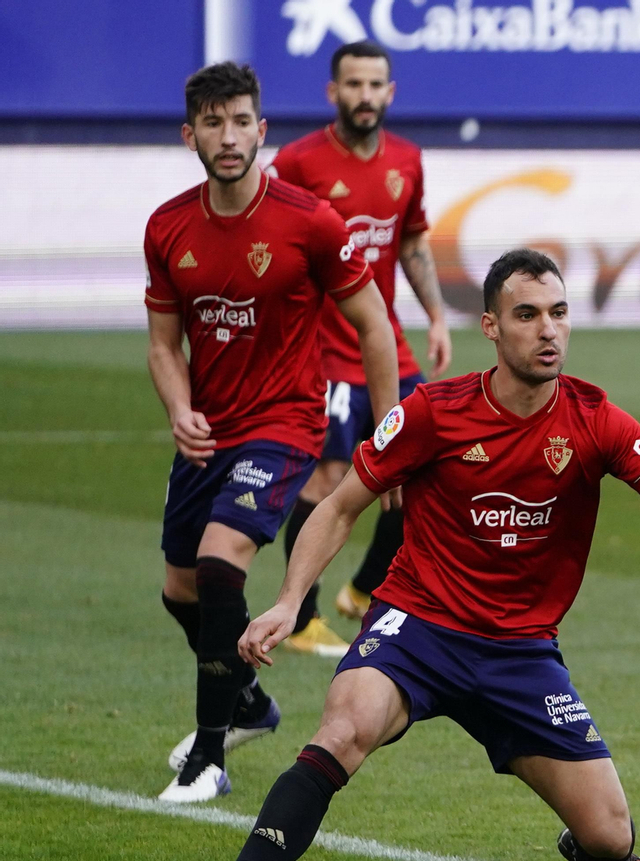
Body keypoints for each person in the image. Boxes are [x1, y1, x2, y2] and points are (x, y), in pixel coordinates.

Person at [169, 249, 640, 861]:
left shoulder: (597, 419)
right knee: (343, 729)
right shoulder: (434, 412)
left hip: (520, 652)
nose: (548, 330)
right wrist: (287, 602)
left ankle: (592, 853)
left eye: (559, 313)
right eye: (527, 315)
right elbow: (338, 506)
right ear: (491, 326)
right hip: (417, 627)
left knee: (610, 833)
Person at [146, 61, 399, 803]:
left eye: (240, 122)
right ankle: (249, 701)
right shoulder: (167, 227)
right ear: (190, 135)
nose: (228, 138)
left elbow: (375, 326)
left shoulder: (310, 221)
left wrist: (389, 438)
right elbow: (163, 345)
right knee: (180, 590)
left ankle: (208, 759)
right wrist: (178, 407)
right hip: (208, 429)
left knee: (220, 561)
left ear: (262, 130)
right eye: (213, 124)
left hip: (286, 422)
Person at [268, 39, 452, 658]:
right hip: (323, 353)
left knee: (422, 466)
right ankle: (301, 619)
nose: (365, 96)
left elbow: (413, 242)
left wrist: (436, 317)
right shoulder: (297, 163)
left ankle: (366, 589)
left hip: (386, 347)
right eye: (353, 84)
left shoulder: (408, 160)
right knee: (330, 479)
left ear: (390, 92)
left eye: (376, 85)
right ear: (333, 91)